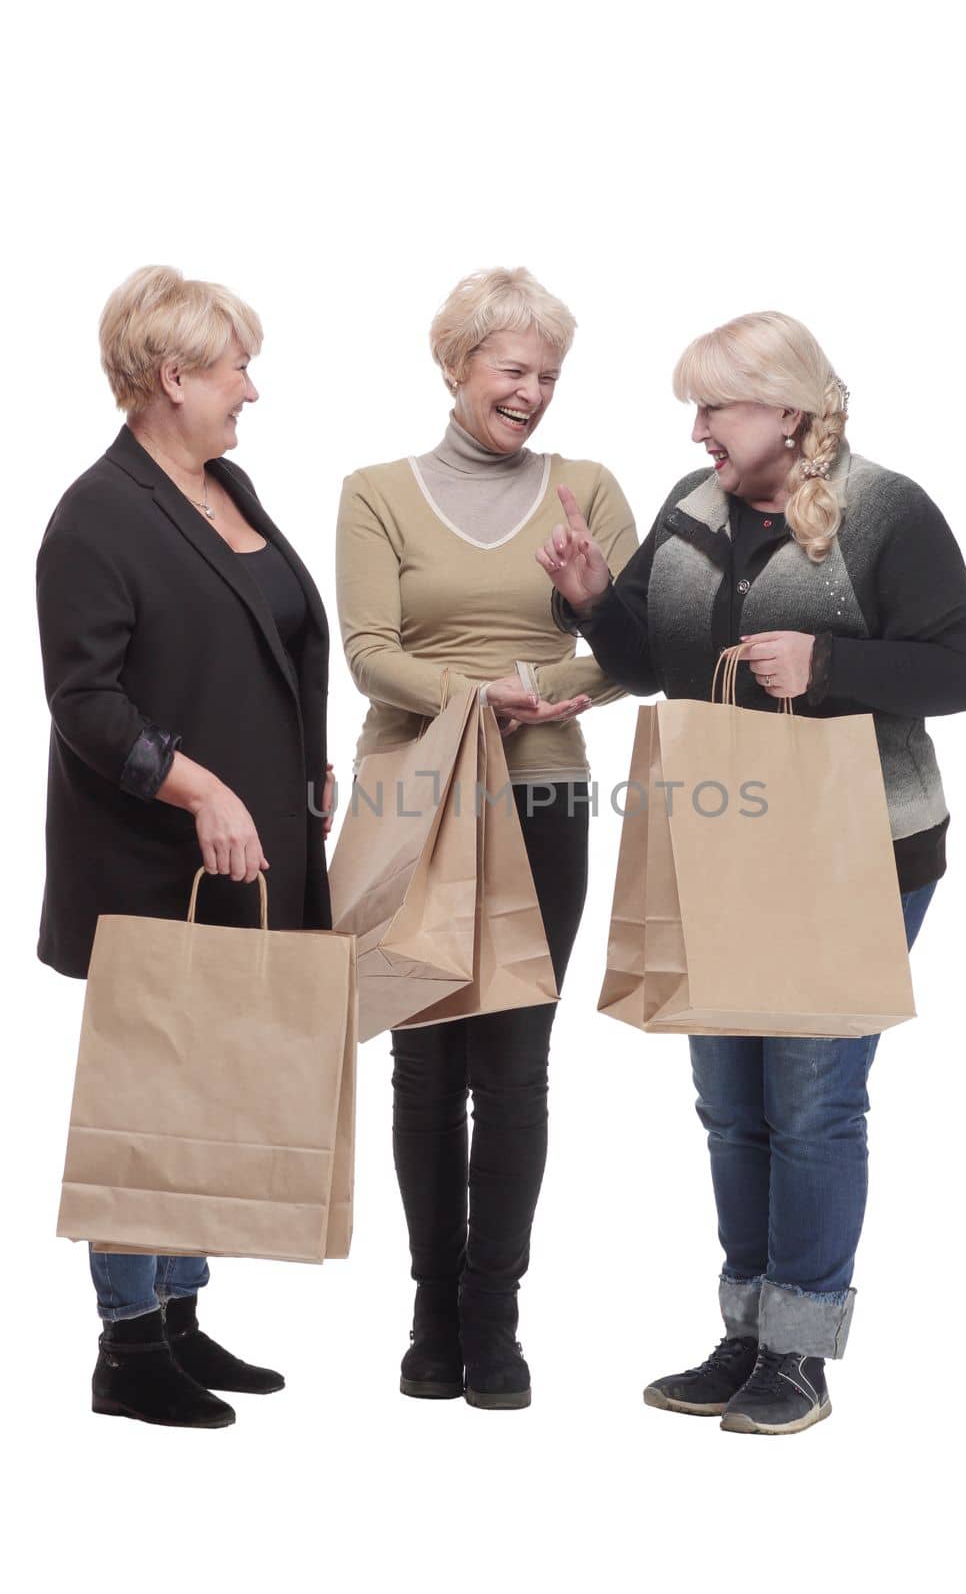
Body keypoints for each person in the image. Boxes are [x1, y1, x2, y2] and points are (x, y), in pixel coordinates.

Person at [538, 310, 966, 1434]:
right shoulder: (688, 511)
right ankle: (744, 1331)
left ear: (787, 411)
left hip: (860, 851)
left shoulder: (886, 509)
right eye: (690, 409)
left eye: (714, 407)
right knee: (729, 1104)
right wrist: (596, 599)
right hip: (721, 840)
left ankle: (801, 1351)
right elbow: (647, 667)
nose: (694, 431)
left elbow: (959, 673)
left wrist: (826, 662)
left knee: (811, 1098)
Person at [37, 265, 335, 1429]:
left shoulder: (226, 485)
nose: (249, 392)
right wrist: (201, 783)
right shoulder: (99, 513)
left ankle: (179, 1312)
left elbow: (270, 638)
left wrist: (303, 758)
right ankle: (125, 1343)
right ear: (171, 378)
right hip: (158, 851)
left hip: (256, 851)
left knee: (212, 1085)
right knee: (148, 1086)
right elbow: (85, 700)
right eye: (233, 370)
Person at [337, 266, 637, 1408]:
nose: (532, 393)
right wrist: (492, 696)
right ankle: (426, 1313)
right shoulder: (374, 491)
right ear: (457, 366)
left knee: (512, 1067)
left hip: (541, 792)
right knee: (425, 1062)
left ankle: (491, 1316)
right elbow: (368, 651)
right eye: (513, 369)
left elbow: (622, 648)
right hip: (411, 791)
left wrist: (541, 666)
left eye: (549, 375)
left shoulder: (587, 488)